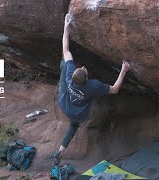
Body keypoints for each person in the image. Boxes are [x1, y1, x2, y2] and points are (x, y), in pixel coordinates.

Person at [53, 13, 131, 164]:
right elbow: (114, 89)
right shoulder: (92, 86)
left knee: (64, 61)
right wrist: (123, 71)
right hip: (78, 112)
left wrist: (66, 26)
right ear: (86, 78)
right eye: (84, 69)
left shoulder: (70, 75)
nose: (83, 67)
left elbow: (66, 49)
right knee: (74, 125)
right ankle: (61, 149)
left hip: (65, 102)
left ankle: (60, 151)